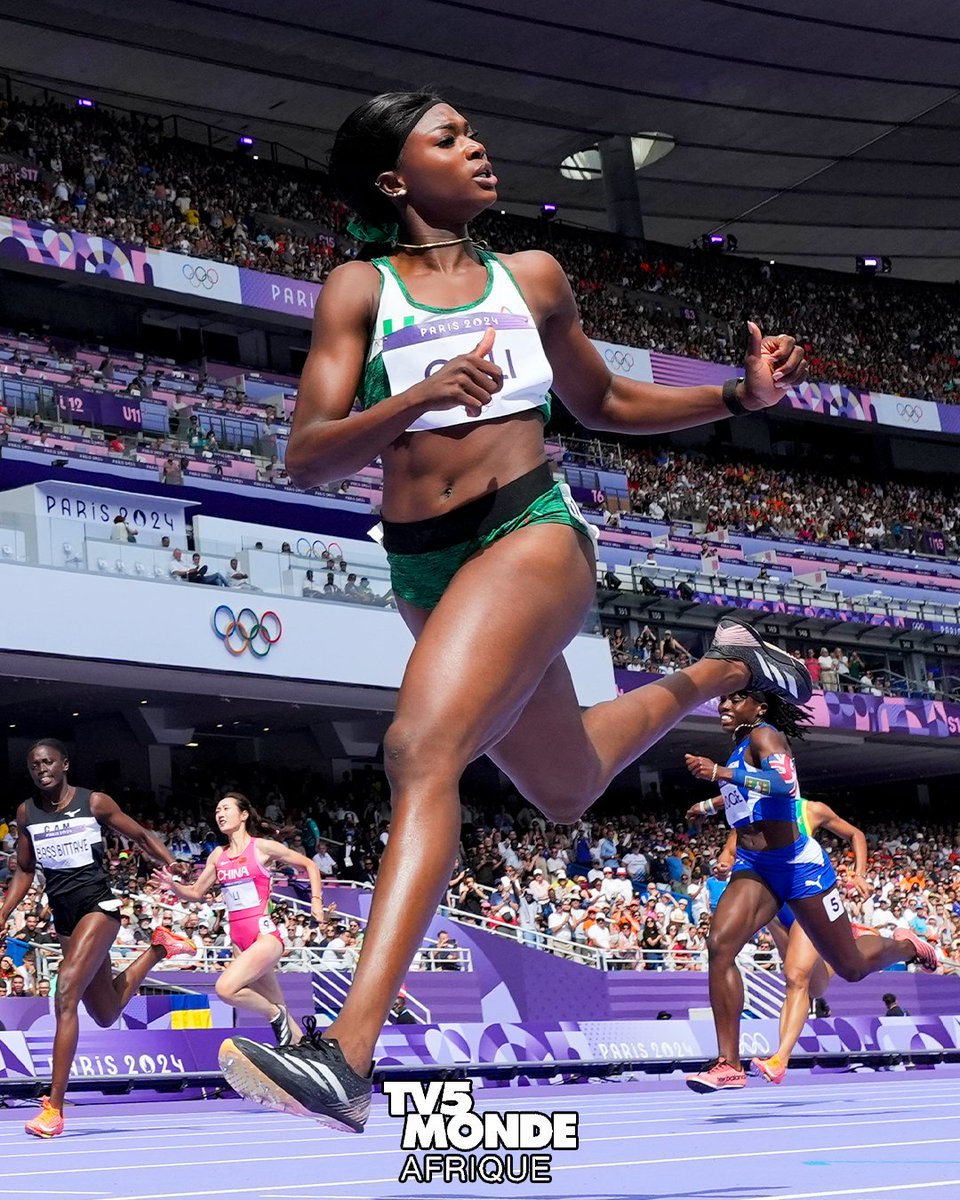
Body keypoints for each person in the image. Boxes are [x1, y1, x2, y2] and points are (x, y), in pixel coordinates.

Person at [218, 89, 810, 1133]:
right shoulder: (359, 288)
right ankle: (724, 672)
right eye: (447, 137)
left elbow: (605, 402)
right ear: (395, 180)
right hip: (423, 564)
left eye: (472, 132)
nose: (477, 146)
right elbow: (307, 455)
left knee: (421, 751)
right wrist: (416, 396)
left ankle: (347, 1055)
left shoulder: (531, 276)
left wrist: (736, 397)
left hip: (529, 530)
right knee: (567, 786)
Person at [682, 690, 938, 1094]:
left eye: (735, 699)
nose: (724, 705)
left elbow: (783, 785)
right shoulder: (740, 748)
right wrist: (709, 806)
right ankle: (728, 1064)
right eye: (723, 700)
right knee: (720, 945)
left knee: (851, 968)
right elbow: (742, 792)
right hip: (755, 866)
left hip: (800, 869)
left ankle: (907, 947)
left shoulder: (766, 735)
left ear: (759, 708)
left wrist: (719, 772)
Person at [0, 738, 194, 1138]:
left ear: (65, 764)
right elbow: (24, 870)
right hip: (65, 918)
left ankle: (54, 1108)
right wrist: (3, 912)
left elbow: (141, 835)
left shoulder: (94, 802)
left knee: (65, 993)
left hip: (98, 907)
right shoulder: (26, 812)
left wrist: (173, 863)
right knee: (105, 1014)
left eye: (48, 762)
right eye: (34, 765)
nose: (41, 769)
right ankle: (159, 947)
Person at [704, 795, 878, 1086]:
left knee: (796, 977)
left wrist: (859, 874)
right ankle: (849, 941)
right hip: (774, 907)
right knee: (816, 984)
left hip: (803, 899)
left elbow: (855, 834)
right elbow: (728, 854)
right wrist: (723, 866)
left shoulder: (811, 809)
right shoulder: (749, 813)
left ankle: (780, 1059)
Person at [156, 792, 324, 1049]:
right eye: (217, 811)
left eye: (226, 809)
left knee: (226, 989)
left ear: (243, 815)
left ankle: (274, 1016)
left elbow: (310, 865)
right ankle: (304, 1049)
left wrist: (316, 901)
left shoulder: (262, 847)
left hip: (263, 936)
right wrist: (174, 886)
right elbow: (196, 893)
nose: (220, 814)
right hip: (238, 941)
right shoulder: (217, 856)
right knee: (278, 1003)